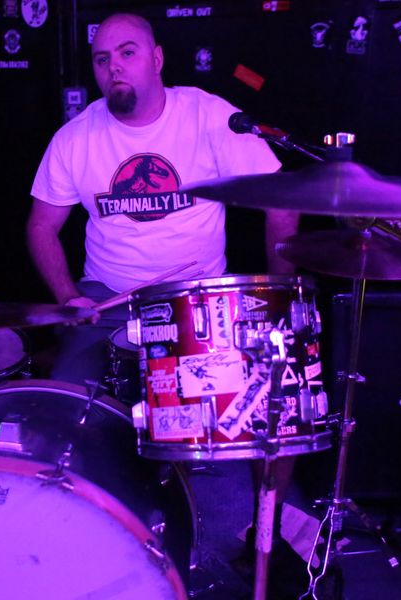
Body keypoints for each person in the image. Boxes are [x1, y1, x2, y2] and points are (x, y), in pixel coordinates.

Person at [27, 12, 298, 386]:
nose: (114, 67)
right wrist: (67, 296)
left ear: (156, 59)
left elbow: (282, 203)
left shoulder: (208, 116)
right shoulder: (74, 138)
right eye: (102, 59)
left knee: (229, 397)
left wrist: (279, 298)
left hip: (199, 300)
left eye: (127, 53)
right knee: (71, 392)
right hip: (108, 300)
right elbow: (41, 226)